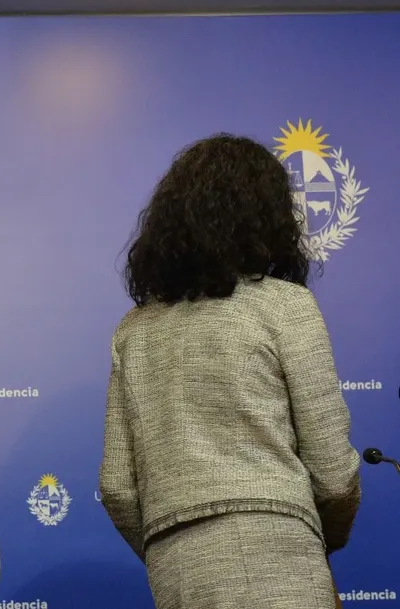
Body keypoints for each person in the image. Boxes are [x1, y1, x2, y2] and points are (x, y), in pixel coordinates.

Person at [98, 134, 360, 609]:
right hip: (281, 556)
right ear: (269, 218)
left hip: (175, 570)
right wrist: (313, 532)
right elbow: (334, 473)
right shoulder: (286, 306)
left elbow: (117, 486)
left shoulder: (133, 331)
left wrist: (169, 538)